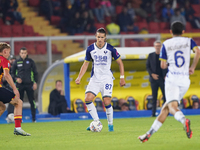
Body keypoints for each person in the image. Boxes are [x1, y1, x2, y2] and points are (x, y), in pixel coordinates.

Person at [138, 21, 200, 142]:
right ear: (183, 31)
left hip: (172, 79)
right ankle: (148, 134)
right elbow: (198, 51)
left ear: (170, 32)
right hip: (185, 80)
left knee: (172, 107)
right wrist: (192, 67)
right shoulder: (189, 41)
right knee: (166, 108)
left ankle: (183, 120)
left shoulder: (166, 44)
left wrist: (167, 62)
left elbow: (162, 65)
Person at [75, 28, 126, 131]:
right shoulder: (90, 49)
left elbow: (120, 62)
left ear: (105, 38)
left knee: (107, 101)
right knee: (87, 98)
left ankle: (110, 126)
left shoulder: (111, 49)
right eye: (98, 37)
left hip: (107, 78)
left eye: (102, 37)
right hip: (95, 78)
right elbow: (85, 64)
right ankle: (96, 122)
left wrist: (122, 77)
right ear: (95, 37)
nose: (100, 39)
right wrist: (79, 77)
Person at [0, 42, 30, 136]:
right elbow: (7, 75)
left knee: (2, 107)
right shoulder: (4, 60)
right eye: (8, 52)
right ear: (4, 51)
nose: (9, 54)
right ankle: (18, 128)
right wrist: (14, 88)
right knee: (18, 102)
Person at [11, 47, 38, 122]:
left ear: (27, 53)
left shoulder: (31, 62)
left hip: (29, 84)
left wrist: (35, 82)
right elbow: (12, 73)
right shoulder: (16, 62)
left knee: (32, 101)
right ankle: (19, 119)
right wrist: (16, 79)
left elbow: (35, 73)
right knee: (19, 102)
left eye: (25, 53)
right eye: (22, 53)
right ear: (19, 54)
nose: (23, 54)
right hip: (20, 85)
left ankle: (34, 118)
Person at [146, 40, 168, 117]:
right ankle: (153, 113)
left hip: (163, 79)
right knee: (154, 97)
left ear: (161, 47)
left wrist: (166, 75)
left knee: (165, 97)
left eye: (159, 46)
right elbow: (147, 67)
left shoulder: (164, 55)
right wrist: (152, 74)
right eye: (156, 46)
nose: (157, 47)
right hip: (154, 79)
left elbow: (167, 66)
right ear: (154, 47)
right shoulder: (150, 55)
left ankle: (165, 113)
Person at [3, 54, 16, 123]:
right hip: (8, 87)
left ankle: (13, 116)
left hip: (16, 87)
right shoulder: (6, 68)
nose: (12, 61)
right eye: (10, 59)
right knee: (11, 101)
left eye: (13, 59)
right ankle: (10, 115)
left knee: (16, 101)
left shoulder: (17, 68)